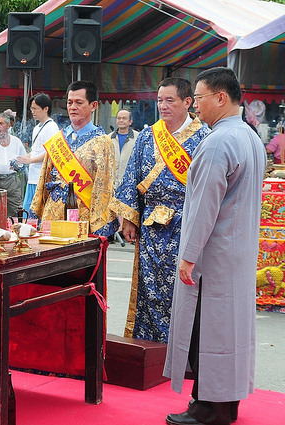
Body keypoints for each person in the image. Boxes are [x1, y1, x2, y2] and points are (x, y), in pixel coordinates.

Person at [163, 67, 266, 425]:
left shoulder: (218, 140)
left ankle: (208, 408)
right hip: (237, 252)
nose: (196, 109)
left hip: (214, 254)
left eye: (200, 99)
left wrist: (189, 256)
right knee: (230, 332)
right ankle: (225, 405)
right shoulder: (250, 137)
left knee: (207, 332)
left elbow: (205, 206)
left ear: (220, 98)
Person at [109, 78, 209, 343]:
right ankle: (150, 349)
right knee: (149, 289)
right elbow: (132, 177)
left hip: (187, 225)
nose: (163, 106)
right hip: (152, 229)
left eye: (170, 100)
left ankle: (185, 354)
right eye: (159, 100)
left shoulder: (205, 137)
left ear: (188, 102)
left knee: (185, 290)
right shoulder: (147, 135)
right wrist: (130, 219)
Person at [30, 80, 118, 237]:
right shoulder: (58, 139)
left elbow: (104, 186)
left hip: (81, 217)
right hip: (52, 214)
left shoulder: (102, 142)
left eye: (79, 102)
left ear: (93, 105)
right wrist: (36, 214)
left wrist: (98, 226)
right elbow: (44, 178)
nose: (72, 107)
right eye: (70, 102)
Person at [17, 93, 59, 218]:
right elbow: (37, 150)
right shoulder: (37, 127)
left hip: (42, 177)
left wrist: (29, 161)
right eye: (31, 109)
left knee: (35, 213)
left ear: (46, 109)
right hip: (33, 176)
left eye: (35, 108)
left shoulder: (52, 127)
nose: (33, 112)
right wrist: (25, 158)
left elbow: (50, 153)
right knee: (27, 212)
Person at [0, 113, 27, 217]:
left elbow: (24, 160)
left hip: (11, 180)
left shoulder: (16, 142)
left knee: (15, 208)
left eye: (1, 124)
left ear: (8, 125)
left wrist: (18, 166)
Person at [109, 109, 139, 187]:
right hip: (111, 184)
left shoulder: (138, 138)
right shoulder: (108, 138)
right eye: (119, 118)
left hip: (130, 185)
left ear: (130, 122)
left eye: (124, 118)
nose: (121, 120)